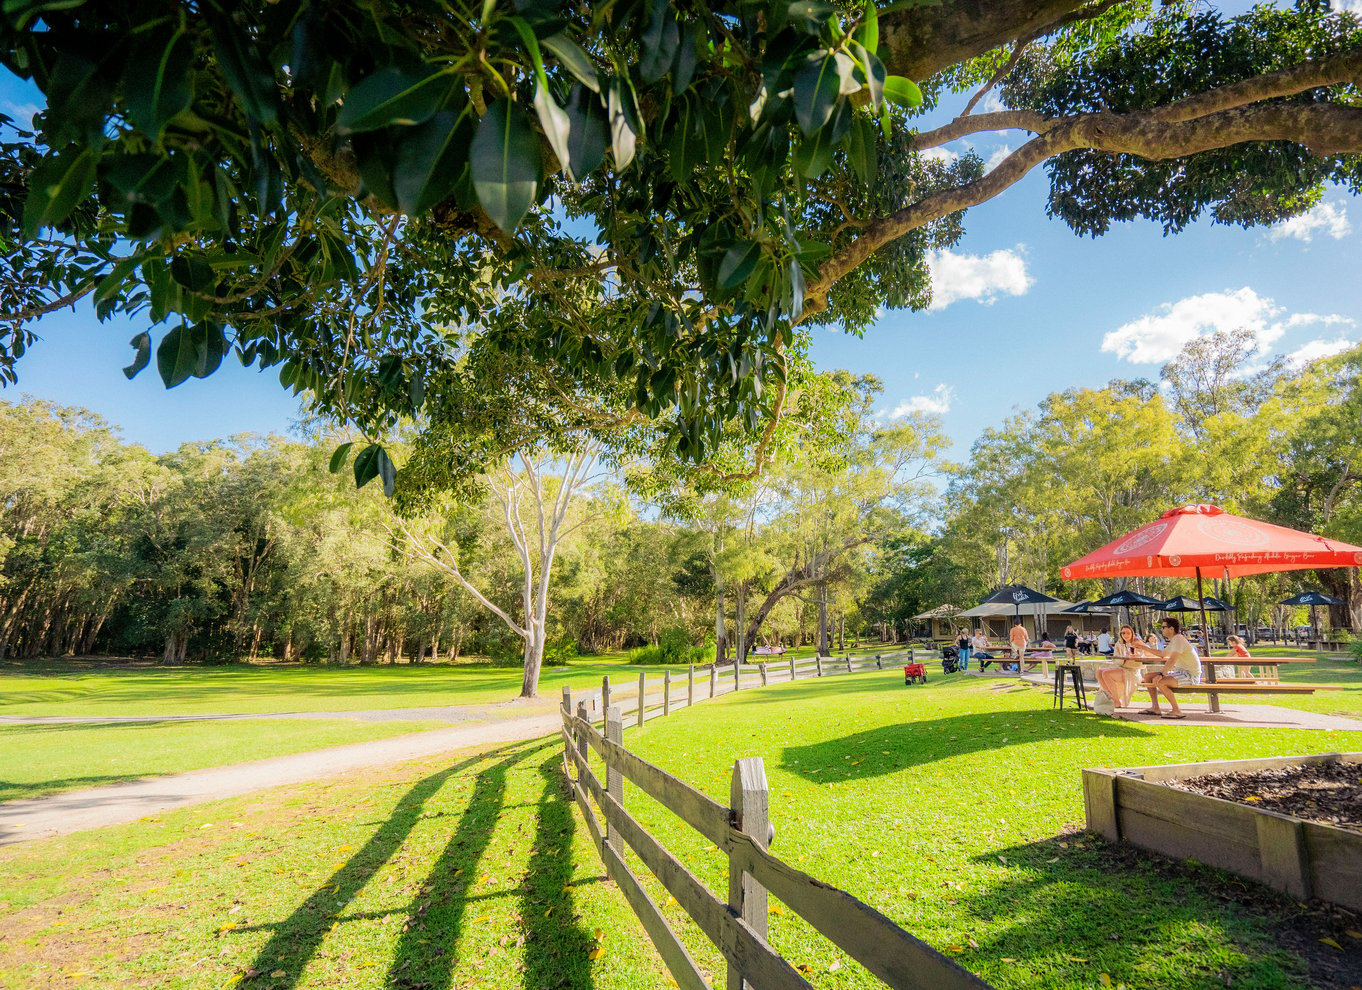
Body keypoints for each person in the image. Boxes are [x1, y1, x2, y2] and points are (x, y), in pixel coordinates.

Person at [1129, 616, 1200, 719]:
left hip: (1190, 675)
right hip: (1180, 673)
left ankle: (1177, 710)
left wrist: (1161, 674)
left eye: (1163, 627)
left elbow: (1172, 660)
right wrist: (1143, 647)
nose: (1161, 630)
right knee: (1148, 676)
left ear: (1171, 629)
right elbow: (1162, 654)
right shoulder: (1174, 640)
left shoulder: (1179, 639)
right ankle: (1155, 707)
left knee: (1160, 682)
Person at [1095, 624, 1145, 710]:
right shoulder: (1119, 643)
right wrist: (1123, 658)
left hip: (1132, 671)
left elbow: (1142, 660)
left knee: (1106, 674)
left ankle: (1116, 701)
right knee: (1099, 672)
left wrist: (1133, 656)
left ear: (1132, 633)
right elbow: (1117, 660)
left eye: (1128, 633)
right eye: (1123, 633)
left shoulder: (1137, 643)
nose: (1126, 635)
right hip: (1121, 667)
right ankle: (1110, 696)